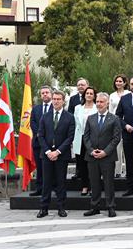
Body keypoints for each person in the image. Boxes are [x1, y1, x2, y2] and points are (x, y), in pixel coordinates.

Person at [37, 90, 75, 218]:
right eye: (54, 99)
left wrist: (57, 152)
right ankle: (44, 208)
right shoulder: (45, 116)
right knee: (46, 182)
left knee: (61, 182)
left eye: (58, 99)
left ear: (63, 101)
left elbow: (70, 137)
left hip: (61, 155)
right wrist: (48, 152)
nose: (56, 101)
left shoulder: (69, 117)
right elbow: (40, 135)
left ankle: (61, 207)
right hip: (46, 155)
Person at [83, 92, 121, 218]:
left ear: (107, 103)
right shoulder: (91, 118)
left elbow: (116, 138)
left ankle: (110, 206)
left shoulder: (114, 119)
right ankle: (95, 206)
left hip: (107, 157)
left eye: (101, 102)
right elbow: (86, 137)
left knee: (108, 183)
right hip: (92, 156)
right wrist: (91, 150)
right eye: (97, 102)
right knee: (94, 183)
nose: (99, 104)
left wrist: (105, 152)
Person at [72, 87, 97, 196]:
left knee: (92, 164)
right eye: (87, 93)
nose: (89, 95)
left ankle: (93, 186)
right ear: (84, 95)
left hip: (93, 138)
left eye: (91, 93)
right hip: (80, 138)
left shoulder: (97, 107)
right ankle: (84, 186)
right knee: (81, 163)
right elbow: (75, 123)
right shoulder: (78, 108)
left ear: (94, 96)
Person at [29, 85, 53, 197]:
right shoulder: (36, 109)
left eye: (47, 92)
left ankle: (53, 188)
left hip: (52, 143)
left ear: (51, 94)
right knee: (40, 167)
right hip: (38, 143)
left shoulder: (56, 107)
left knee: (52, 168)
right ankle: (39, 188)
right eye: (43, 93)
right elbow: (33, 123)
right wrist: (41, 135)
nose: (45, 94)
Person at [109, 74, 129, 178]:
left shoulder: (128, 93)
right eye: (116, 81)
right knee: (117, 149)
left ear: (125, 83)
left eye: (120, 81)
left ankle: (129, 172)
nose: (118, 83)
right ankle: (118, 171)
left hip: (126, 124)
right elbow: (110, 111)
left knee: (127, 150)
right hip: (115, 124)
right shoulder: (112, 95)